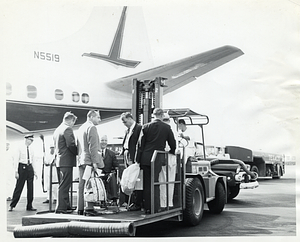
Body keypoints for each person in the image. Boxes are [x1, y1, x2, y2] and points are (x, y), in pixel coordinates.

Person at [137, 108, 176, 214]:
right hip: (158, 158)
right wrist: (172, 151)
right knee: (155, 182)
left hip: (145, 158)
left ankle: (147, 207)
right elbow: (173, 143)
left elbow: (140, 145)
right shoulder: (166, 127)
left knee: (147, 183)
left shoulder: (145, 127)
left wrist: (138, 160)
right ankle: (156, 207)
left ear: (153, 115)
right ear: (162, 115)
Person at [77, 110, 104, 215]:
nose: (99, 120)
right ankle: (89, 208)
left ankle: (80, 208)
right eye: (98, 117)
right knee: (90, 184)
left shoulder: (81, 128)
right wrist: (95, 162)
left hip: (82, 160)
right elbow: (93, 147)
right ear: (92, 117)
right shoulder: (91, 128)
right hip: (89, 161)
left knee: (82, 184)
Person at [53, 112, 78, 214]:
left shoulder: (57, 129)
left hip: (59, 161)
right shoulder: (67, 129)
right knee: (64, 185)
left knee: (62, 184)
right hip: (66, 161)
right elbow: (71, 144)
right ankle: (61, 208)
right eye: (73, 122)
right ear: (71, 120)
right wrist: (78, 152)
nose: (73, 125)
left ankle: (66, 206)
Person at [9, 134, 38, 212]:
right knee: (19, 187)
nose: (31, 142)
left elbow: (33, 160)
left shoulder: (31, 149)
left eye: (32, 140)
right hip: (22, 167)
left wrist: (35, 171)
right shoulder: (20, 148)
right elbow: (16, 160)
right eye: (30, 140)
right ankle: (12, 205)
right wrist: (16, 171)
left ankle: (29, 205)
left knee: (30, 188)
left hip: (29, 168)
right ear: (26, 139)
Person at [120, 112, 142, 210]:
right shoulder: (127, 130)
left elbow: (139, 144)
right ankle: (130, 200)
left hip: (133, 156)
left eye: (125, 122)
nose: (124, 124)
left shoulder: (139, 128)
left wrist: (137, 158)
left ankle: (136, 202)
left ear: (130, 118)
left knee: (135, 178)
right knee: (128, 178)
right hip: (127, 154)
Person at [159, 113, 179, 209]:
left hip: (166, 156)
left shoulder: (164, 129)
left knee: (163, 181)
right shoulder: (173, 130)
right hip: (172, 157)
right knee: (170, 181)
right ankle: (169, 203)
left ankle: (163, 203)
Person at [99, 135, 119, 206]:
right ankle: (101, 200)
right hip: (98, 174)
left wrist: (113, 172)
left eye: (105, 140)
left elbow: (116, 166)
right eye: (102, 140)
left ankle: (114, 199)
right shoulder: (95, 152)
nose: (104, 142)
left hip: (108, 174)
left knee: (112, 176)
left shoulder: (111, 153)